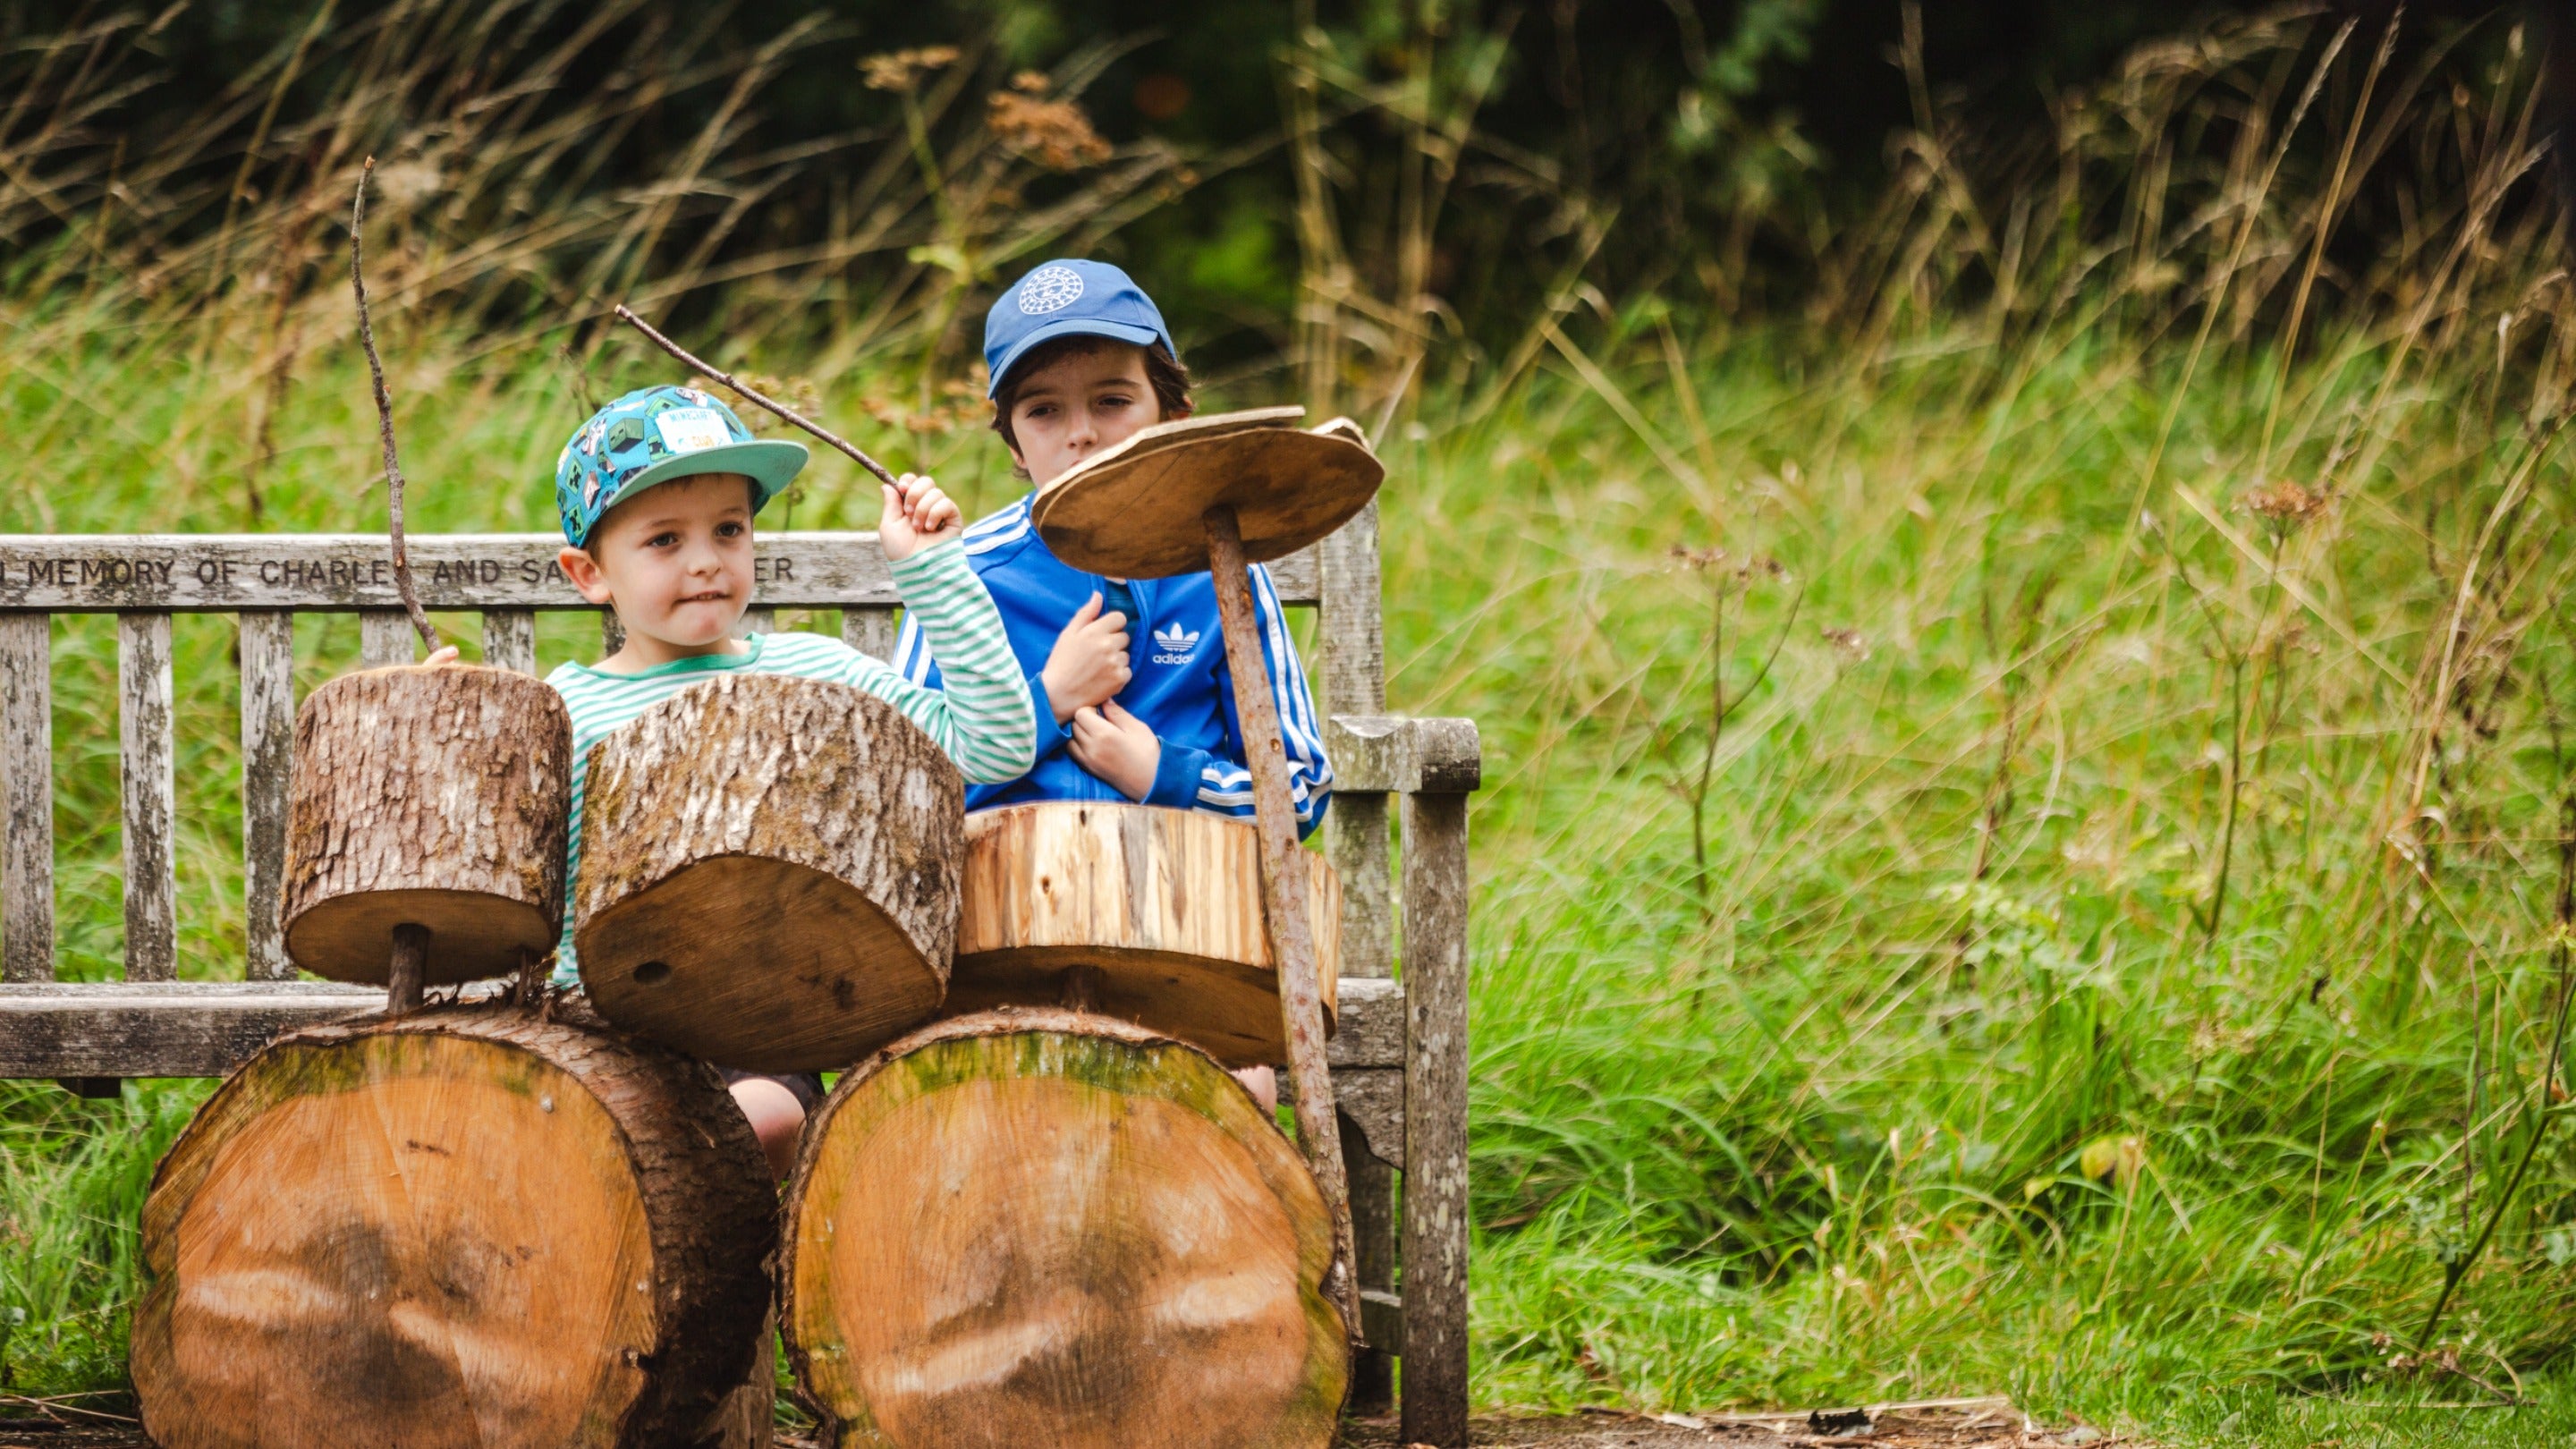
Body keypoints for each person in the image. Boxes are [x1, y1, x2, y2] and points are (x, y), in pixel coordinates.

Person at [436, 383, 1040, 1178]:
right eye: (663, 541)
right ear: (590, 573)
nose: (706, 561)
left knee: (766, 1115)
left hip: (759, 1028)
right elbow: (491, 881)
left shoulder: (812, 673)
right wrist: (447, 730)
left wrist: (933, 572)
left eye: (729, 529)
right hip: (596, 1025)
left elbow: (995, 747)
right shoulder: (560, 711)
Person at [894, 259, 1335, 1108]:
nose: (1081, 434)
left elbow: (1301, 791)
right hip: (998, 949)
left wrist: (1164, 773)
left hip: (1188, 940)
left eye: (1112, 400)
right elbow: (904, 796)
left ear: (1172, 411)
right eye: (1044, 410)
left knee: (1238, 1088)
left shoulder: (1222, 573)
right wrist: (1044, 705)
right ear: (1012, 444)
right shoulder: (967, 577)